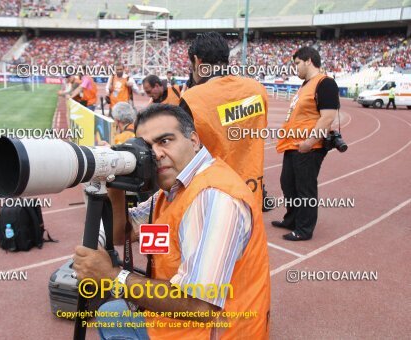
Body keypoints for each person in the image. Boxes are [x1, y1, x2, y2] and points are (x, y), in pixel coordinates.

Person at [73, 104, 271, 340]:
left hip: (211, 329)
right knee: (108, 313)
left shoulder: (215, 196)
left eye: (165, 141)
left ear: (194, 141)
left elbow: (201, 307)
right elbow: (120, 234)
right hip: (173, 316)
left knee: (112, 313)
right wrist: (115, 181)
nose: (155, 154)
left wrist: (113, 276)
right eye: (147, 147)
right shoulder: (172, 191)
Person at [180, 32, 268, 209]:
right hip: (251, 188)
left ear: (197, 61)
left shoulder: (193, 98)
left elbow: (182, 151)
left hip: (213, 194)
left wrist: (183, 104)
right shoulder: (257, 89)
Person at [273, 46, 339, 241]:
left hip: (308, 147)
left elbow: (327, 118)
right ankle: (292, 219)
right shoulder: (305, 86)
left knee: (305, 188)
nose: (296, 68)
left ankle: (304, 229)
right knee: (288, 184)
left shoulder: (325, 83)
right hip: (293, 145)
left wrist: (309, 143)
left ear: (308, 60)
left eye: (297, 63)